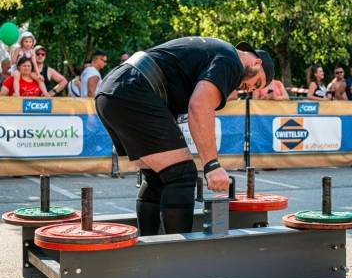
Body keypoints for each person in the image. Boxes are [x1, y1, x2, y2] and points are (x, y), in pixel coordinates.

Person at [95, 37, 274, 236]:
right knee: (182, 175)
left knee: (158, 179)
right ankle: (177, 251)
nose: (249, 89)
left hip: (113, 89)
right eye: (257, 83)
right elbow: (200, 105)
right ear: (256, 62)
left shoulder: (216, 53)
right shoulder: (232, 60)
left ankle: (150, 248)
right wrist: (212, 165)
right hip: (133, 90)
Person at [10, 31, 48, 96]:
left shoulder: (32, 51)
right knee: (16, 75)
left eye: (30, 42)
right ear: (22, 42)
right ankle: (17, 92)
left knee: (39, 78)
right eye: (26, 41)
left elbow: (34, 63)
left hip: (28, 70)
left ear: (32, 43)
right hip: (18, 69)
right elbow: (13, 61)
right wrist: (12, 54)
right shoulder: (19, 49)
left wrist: (38, 74)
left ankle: (45, 93)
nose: (28, 43)